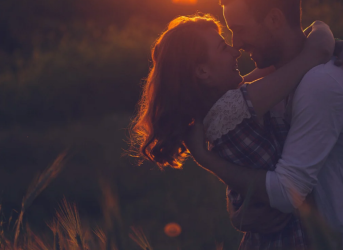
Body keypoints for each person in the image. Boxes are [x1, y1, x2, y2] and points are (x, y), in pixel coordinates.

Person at [129, 13, 336, 249]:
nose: (234, 51)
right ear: (203, 72)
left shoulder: (224, 107)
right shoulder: (232, 110)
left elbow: (284, 65)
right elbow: (313, 54)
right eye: (222, 47)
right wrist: (321, 28)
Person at [185, 0, 343, 248]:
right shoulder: (270, 88)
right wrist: (239, 210)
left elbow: (285, 191)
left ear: (274, 20)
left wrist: (207, 159)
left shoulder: (320, 83)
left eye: (240, 29)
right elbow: (250, 161)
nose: (235, 44)